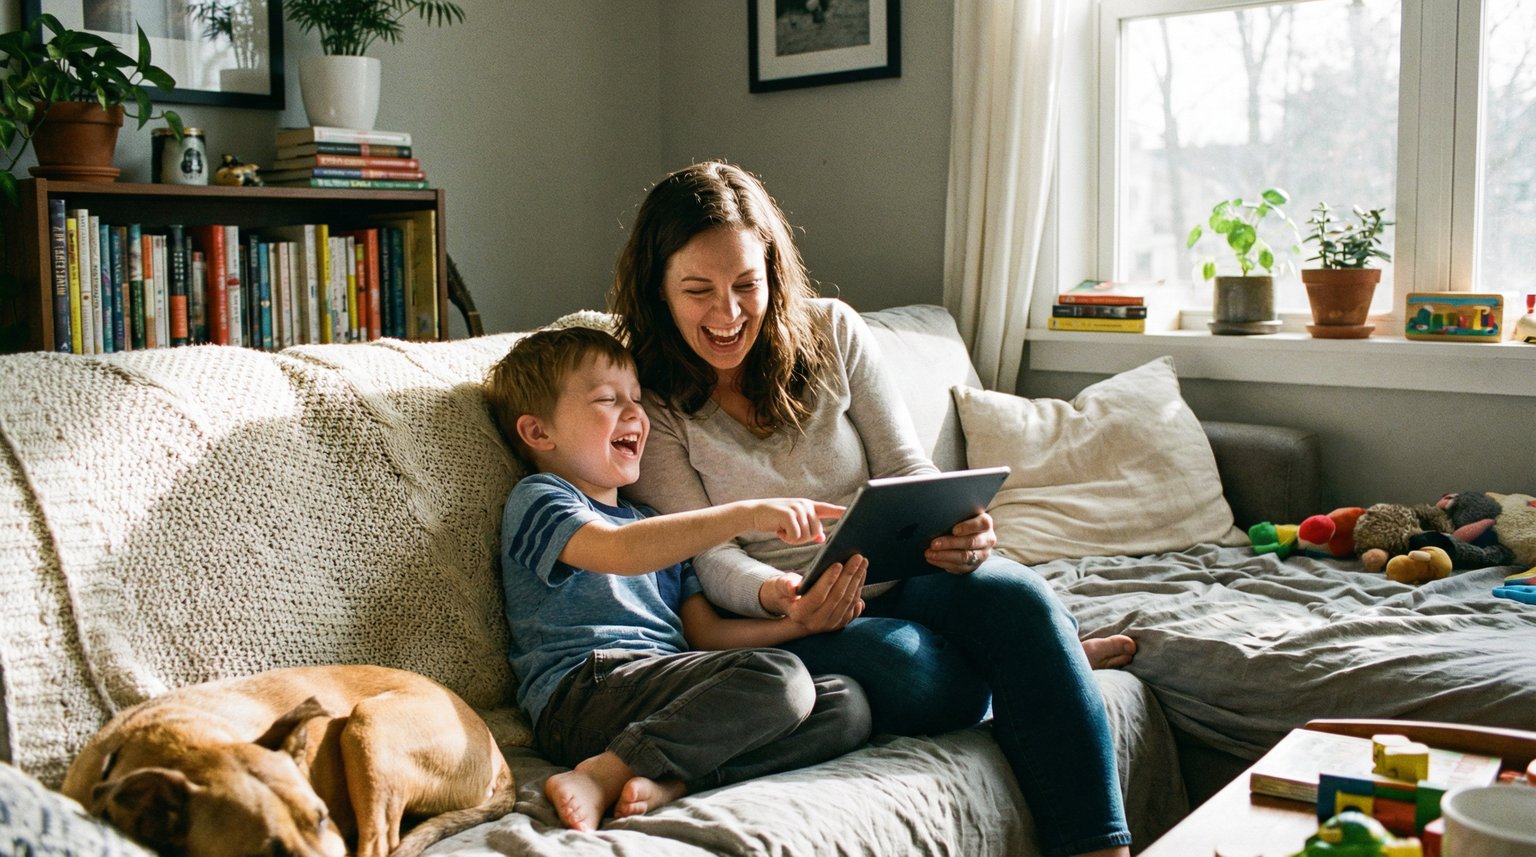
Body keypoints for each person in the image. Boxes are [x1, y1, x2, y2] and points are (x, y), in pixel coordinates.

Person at [612, 161, 1135, 857]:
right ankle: (1049, 662)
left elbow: (908, 469)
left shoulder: (832, 331)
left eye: (746, 285)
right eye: (698, 291)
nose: (728, 313)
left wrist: (962, 527)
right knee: (928, 680)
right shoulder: (650, 399)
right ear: (658, 290)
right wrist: (784, 600)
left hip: (906, 567)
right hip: (798, 614)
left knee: (1022, 600)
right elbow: (706, 555)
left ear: (772, 271)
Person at [484, 325, 872, 832]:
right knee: (781, 679)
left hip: (668, 695)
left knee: (846, 704)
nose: (635, 414)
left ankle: (672, 780)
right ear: (538, 433)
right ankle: (605, 773)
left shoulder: (651, 520)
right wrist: (745, 514)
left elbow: (705, 635)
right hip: (582, 695)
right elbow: (616, 551)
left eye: (637, 399)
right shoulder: (541, 499)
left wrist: (802, 620)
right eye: (608, 399)